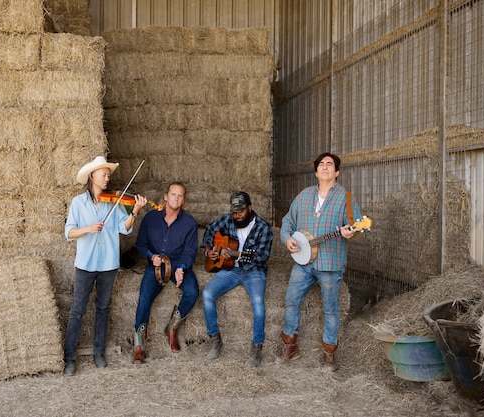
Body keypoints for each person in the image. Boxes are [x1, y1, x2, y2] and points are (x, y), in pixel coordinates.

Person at [63, 156, 147, 375]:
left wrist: (135, 212)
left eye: (109, 174)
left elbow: (124, 228)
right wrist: (88, 229)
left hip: (108, 264)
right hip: (85, 264)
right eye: (104, 174)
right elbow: (69, 232)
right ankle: (69, 358)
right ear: (92, 176)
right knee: (77, 310)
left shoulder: (115, 201)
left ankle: (99, 354)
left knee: (103, 309)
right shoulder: (78, 203)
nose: (108, 178)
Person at [279, 152, 362, 371]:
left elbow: (358, 224)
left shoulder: (346, 197)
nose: (325, 167)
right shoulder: (304, 195)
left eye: (330, 164)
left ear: (337, 172)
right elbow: (287, 220)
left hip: (330, 264)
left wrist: (351, 232)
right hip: (303, 263)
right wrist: (287, 239)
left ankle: (329, 354)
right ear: (316, 172)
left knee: (330, 309)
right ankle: (290, 346)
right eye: (321, 164)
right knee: (291, 300)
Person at [201, 191, 273, 367]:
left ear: (250, 208)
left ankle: (256, 348)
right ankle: (215, 339)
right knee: (207, 294)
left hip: (254, 271)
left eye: (241, 211)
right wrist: (209, 249)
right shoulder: (227, 220)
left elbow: (261, 257)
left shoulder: (263, 228)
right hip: (230, 269)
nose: (238, 215)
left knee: (257, 302)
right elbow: (210, 230)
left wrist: (234, 254)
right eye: (235, 212)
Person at [132, 182, 200, 364]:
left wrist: (182, 267)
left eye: (180, 196)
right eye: (173, 195)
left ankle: (172, 328)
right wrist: (150, 256)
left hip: (178, 264)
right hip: (155, 266)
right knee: (145, 298)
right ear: (165, 196)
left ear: (183, 200)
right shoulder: (150, 218)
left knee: (193, 292)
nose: (176, 198)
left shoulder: (189, 223)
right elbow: (140, 244)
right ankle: (139, 345)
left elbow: (190, 250)